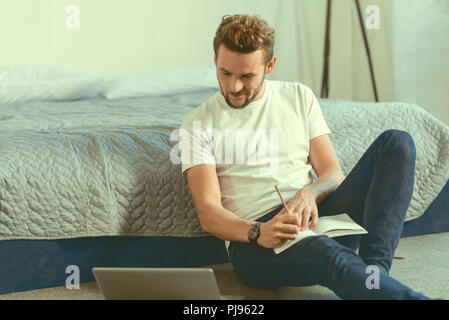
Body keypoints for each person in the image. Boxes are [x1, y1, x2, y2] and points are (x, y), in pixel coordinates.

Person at [179, 14, 431, 299]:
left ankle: (373, 275)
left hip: (315, 217)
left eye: (247, 76)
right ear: (215, 60)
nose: (234, 86)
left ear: (270, 65)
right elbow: (209, 213)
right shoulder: (197, 123)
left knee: (397, 142)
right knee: (327, 253)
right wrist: (258, 232)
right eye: (225, 73)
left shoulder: (298, 96)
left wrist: (310, 192)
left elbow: (333, 174)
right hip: (255, 242)